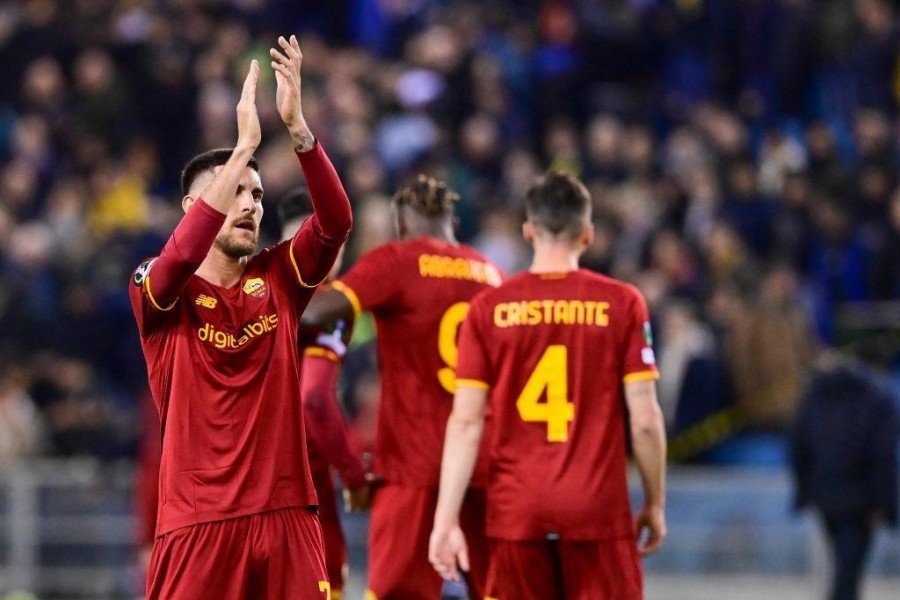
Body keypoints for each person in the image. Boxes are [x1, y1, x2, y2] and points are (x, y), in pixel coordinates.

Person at [129, 35, 352, 600]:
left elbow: (335, 223)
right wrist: (242, 147)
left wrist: (298, 130)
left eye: (256, 192)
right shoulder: (156, 287)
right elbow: (180, 255)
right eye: (235, 191)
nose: (251, 202)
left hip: (287, 516)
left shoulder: (279, 277)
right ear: (193, 208)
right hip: (197, 523)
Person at [429, 171, 668, 600]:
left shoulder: (489, 309)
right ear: (588, 235)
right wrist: (654, 502)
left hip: (518, 512)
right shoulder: (623, 303)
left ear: (528, 231)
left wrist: (445, 520)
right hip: (597, 511)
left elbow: (465, 422)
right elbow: (646, 420)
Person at [302, 175, 503, 599]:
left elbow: (317, 312)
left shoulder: (397, 261)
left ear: (402, 224)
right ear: (452, 221)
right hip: (486, 465)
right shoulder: (493, 274)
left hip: (414, 464)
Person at [278, 186, 371, 599]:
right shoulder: (327, 302)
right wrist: (353, 474)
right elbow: (313, 397)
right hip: (301, 492)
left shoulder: (244, 285)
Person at [790, 352, 899, 600]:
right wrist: (884, 504)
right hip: (861, 503)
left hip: (827, 497)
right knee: (847, 576)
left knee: (844, 572)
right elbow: (884, 456)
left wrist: (806, 491)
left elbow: (798, 447)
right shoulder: (878, 400)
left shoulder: (816, 397)